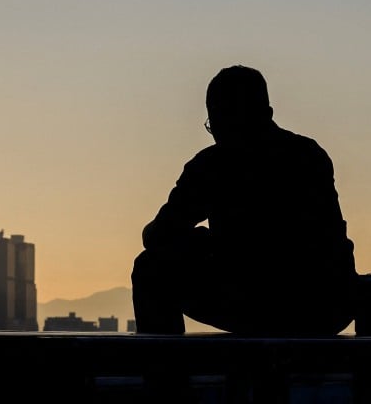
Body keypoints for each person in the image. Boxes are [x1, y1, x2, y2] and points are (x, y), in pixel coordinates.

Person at [131, 65, 358, 336]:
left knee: (150, 268)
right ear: (268, 113)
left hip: (256, 302)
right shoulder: (308, 154)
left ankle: (165, 374)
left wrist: (199, 242)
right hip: (326, 305)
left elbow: (160, 236)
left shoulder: (212, 166)